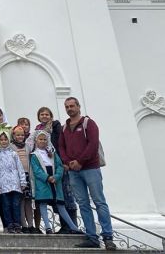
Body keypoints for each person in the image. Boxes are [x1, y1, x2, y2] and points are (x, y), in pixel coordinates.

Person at [59, 97, 116, 250]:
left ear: (78, 106)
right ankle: (92, 236)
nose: (69, 108)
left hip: (90, 168)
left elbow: (93, 144)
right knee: (83, 204)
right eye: (67, 106)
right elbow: (61, 147)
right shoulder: (64, 128)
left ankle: (108, 236)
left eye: (72, 106)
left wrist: (80, 161)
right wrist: (68, 162)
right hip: (73, 172)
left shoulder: (88, 124)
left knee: (99, 202)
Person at [31, 106, 76, 234]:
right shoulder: (35, 155)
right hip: (43, 181)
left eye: (45, 139)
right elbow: (36, 169)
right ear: (36, 140)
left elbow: (59, 165)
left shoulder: (53, 152)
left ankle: (73, 227)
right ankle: (48, 227)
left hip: (55, 180)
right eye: (40, 139)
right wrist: (47, 177)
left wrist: (56, 176)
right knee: (43, 204)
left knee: (61, 203)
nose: (42, 141)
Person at [0, 131, 27, 233]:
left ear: (9, 140)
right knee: (6, 206)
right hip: (3, 185)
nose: (3, 141)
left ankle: (17, 224)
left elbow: (20, 168)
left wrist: (23, 182)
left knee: (16, 205)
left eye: (5, 139)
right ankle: (9, 225)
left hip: (15, 184)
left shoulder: (14, 154)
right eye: (1, 140)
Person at [9, 126, 36, 233]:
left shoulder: (28, 147)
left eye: (22, 135)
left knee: (28, 201)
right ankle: (23, 225)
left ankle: (31, 225)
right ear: (14, 136)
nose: (20, 137)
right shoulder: (11, 147)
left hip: (28, 176)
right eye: (17, 135)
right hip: (18, 177)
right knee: (21, 201)